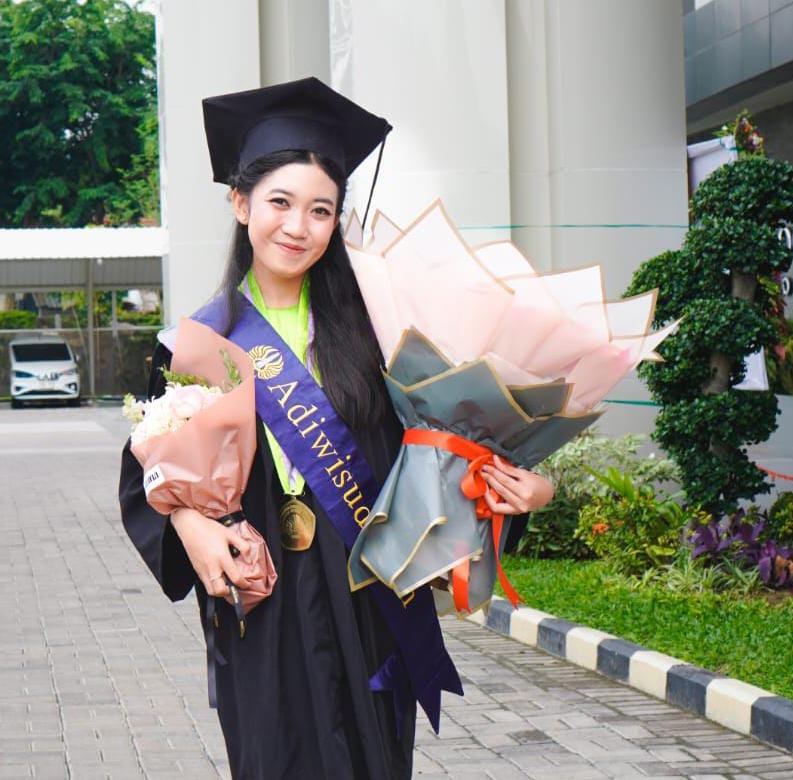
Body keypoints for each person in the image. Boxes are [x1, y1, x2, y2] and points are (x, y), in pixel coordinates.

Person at [118, 77, 553, 780]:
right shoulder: (199, 342)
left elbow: (444, 457)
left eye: (321, 210)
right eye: (280, 202)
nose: (298, 226)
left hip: (367, 606)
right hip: (262, 608)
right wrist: (190, 524)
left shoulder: (380, 335)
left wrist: (521, 490)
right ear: (241, 203)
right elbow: (148, 476)